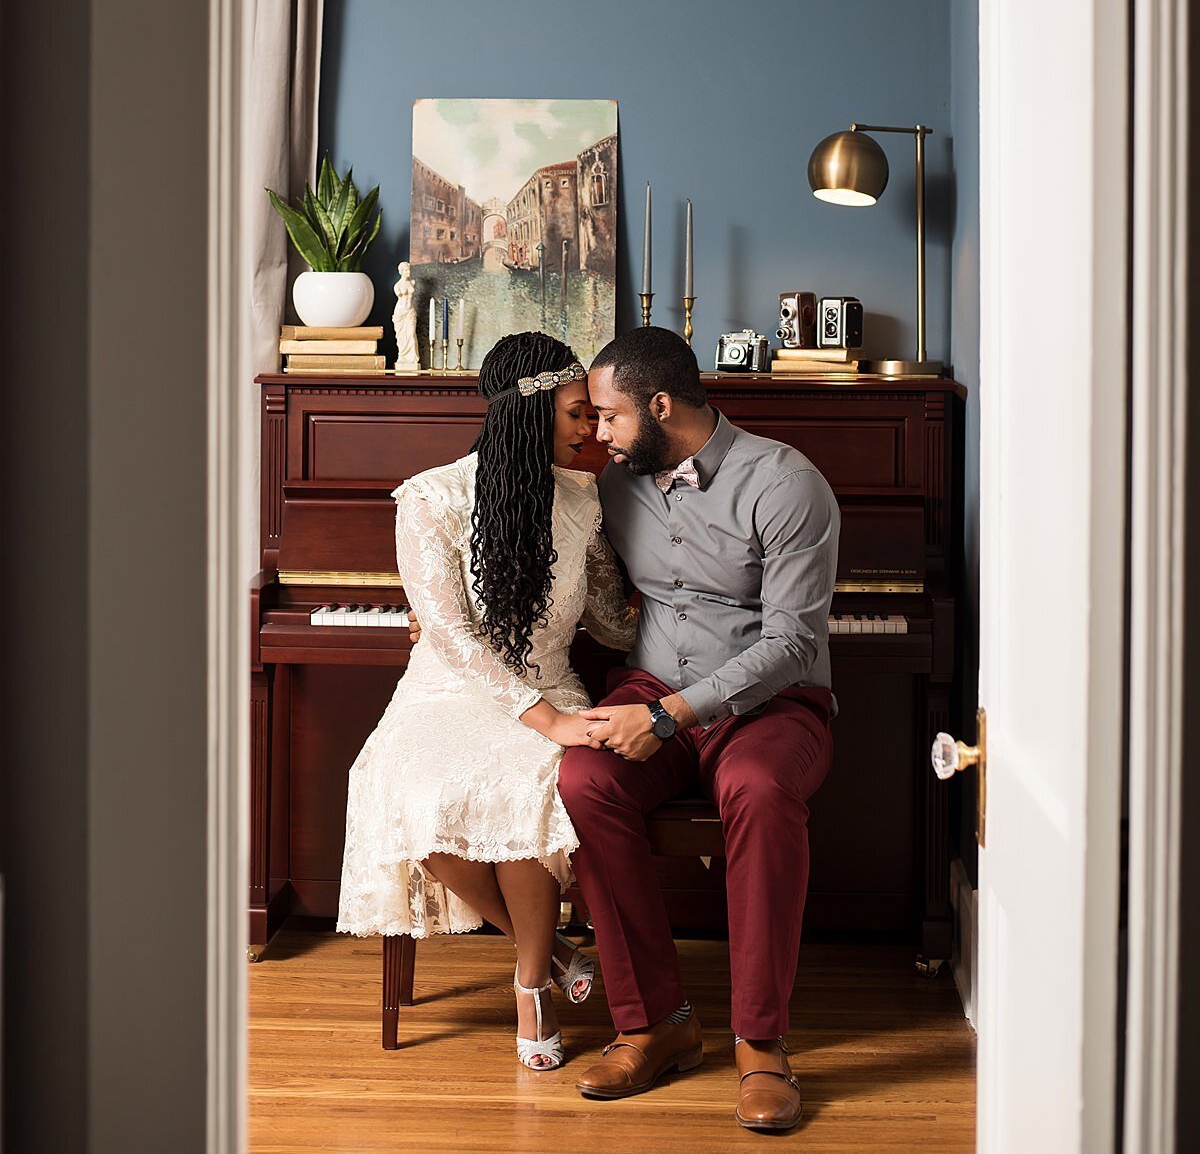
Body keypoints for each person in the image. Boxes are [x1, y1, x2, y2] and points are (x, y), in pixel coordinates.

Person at [558, 326, 839, 1134]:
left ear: (660, 405)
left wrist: (674, 713)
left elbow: (792, 642)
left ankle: (761, 1042)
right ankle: (654, 1023)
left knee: (756, 788)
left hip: (770, 703)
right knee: (583, 779)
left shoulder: (786, 483)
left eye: (608, 415)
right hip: (654, 687)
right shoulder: (616, 480)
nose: (596, 433)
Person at [336, 331, 637, 1071]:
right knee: (410, 792)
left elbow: (610, 621)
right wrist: (550, 718)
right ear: (530, 413)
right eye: (576, 412)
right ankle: (556, 946)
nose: (591, 427)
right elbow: (452, 636)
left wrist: (683, 593)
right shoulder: (430, 497)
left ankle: (531, 981)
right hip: (447, 690)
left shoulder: (583, 497)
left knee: (524, 787)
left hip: (550, 679)